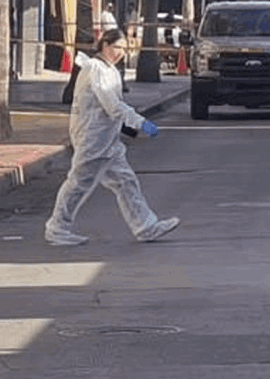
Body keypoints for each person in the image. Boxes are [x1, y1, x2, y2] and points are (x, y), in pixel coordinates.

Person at [45, 29, 180, 247]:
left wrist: (130, 125)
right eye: (117, 47)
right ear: (104, 45)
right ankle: (58, 227)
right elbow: (113, 105)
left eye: (124, 49)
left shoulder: (109, 70)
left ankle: (145, 225)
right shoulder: (95, 69)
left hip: (107, 139)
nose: (120, 53)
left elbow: (113, 107)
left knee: (125, 181)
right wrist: (139, 122)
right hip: (93, 138)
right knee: (79, 183)